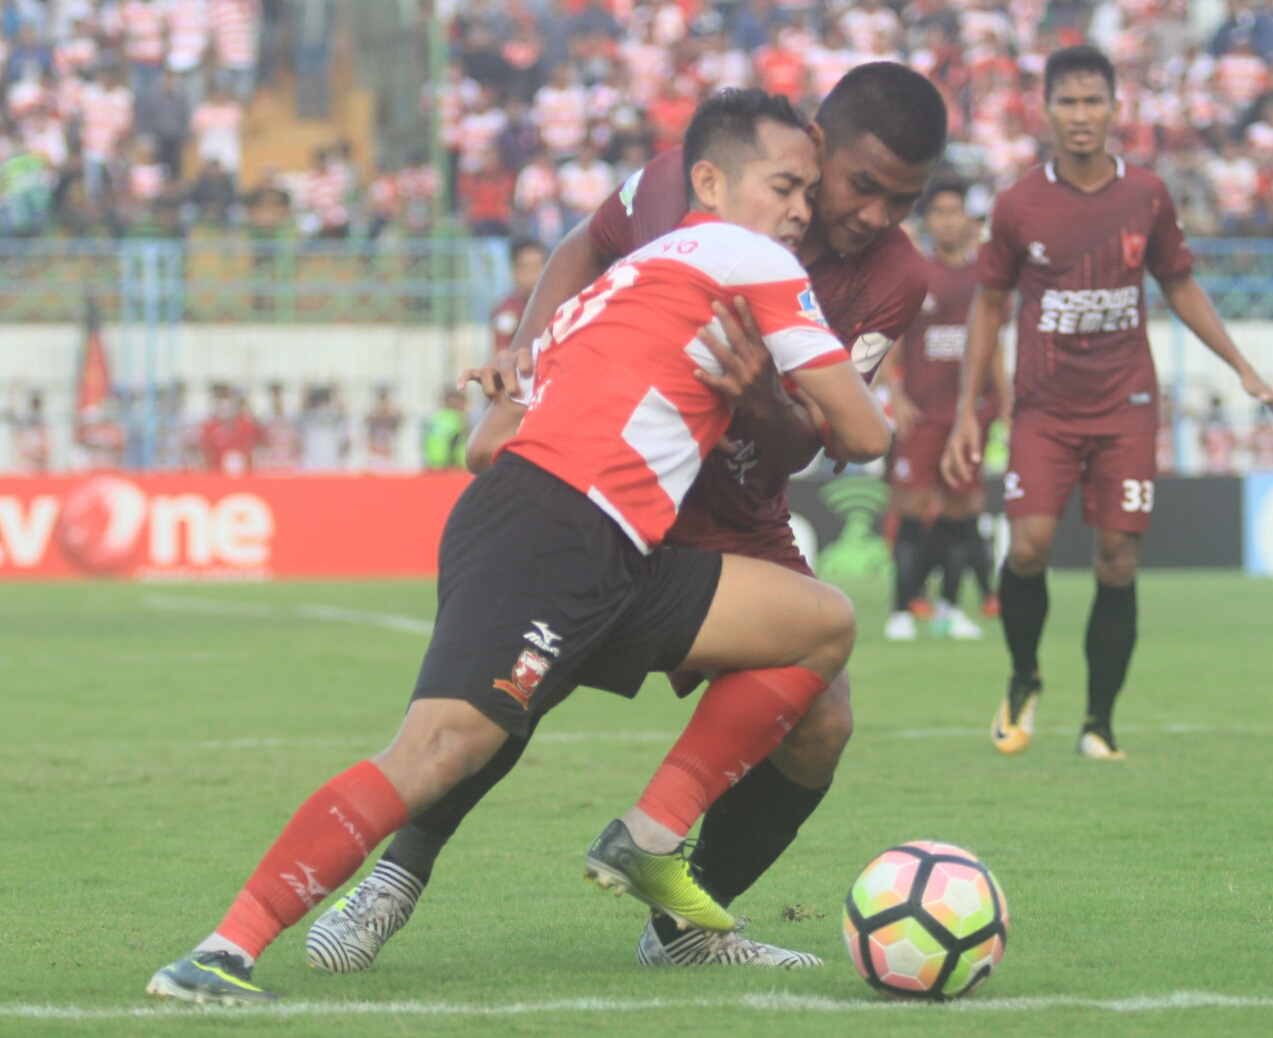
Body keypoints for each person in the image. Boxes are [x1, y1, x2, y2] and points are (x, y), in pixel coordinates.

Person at [146, 87, 888, 1006]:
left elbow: (485, 444)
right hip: (558, 529)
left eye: (808, 195)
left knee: (820, 624)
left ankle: (650, 839)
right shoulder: (745, 256)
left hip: (603, 543)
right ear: (709, 180)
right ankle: (225, 948)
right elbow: (863, 436)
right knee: (439, 748)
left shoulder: (626, 280)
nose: (800, 210)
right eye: (785, 185)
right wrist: (835, 385)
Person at [309, 62, 945, 972]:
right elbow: (581, 244)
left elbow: (808, 445)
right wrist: (525, 369)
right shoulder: (681, 182)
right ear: (814, 144)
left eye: (903, 199)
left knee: (822, 715)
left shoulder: (899, 276)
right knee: (521, 675)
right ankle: (392, 881)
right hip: (613, 482)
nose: (876, 215)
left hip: (737, 507)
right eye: (865, 186)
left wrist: (763, 399)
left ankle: (683, 930)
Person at [942, 46, 1273, 761]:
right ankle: (1023, 676)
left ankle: (1099, 723)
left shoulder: (1147, 195)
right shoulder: (1016, 205)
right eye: (1068, 103)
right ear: (1045, 112)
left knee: (1116, 561)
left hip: (1126, 404)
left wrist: (1244, 369)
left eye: (1093, 101)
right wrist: (965, 411)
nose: (1081, 116)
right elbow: (988, 307)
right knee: (1030, 545)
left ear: (1115, 109)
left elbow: (1181, 286)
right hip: (1043, 406)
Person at [884, 179, 1001, 643]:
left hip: (968, 414)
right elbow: (891, 335)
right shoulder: (915, 273)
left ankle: (950, 608)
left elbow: (993, 347)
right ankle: (900, 608)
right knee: (910, 506)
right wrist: (897, 394)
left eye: (957, 211)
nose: (949, 220)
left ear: (968, 221)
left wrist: (1005, 402)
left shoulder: (985, 278)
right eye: (941, 212)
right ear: (928, 220)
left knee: (963, 509)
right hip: (922, 412)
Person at [490, 238, 546, 353]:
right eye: (527, 268)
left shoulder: (556, 304)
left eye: (537, 267)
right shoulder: (509, 309)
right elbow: (501, 353)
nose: (533, 274)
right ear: (515, 272)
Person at [422, 390, 469, 471]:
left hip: (433, 465)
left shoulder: (434, 418)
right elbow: (455, 444)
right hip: (453, 468)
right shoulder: (458, 419)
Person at [364, 386, 403, 471]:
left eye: (384, 397)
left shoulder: (391, 411)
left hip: (388, 454)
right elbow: (367, 420)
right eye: (381, 397)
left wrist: (390, 413)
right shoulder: (373, 411)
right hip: (375, 453)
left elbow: (400, 419)